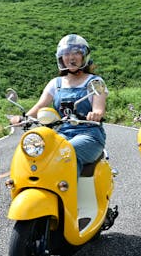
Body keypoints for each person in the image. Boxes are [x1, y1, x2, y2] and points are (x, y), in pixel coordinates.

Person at [9, 34, 107, 175]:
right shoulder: (56, 83)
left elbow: (99, 108)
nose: (71, 57)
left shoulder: (95, 82)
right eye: (66, 53)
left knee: (66, 151)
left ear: (84, 56)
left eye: (76, 53)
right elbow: (40, 107)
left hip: (89, 134)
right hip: (60, 133)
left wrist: (96, 114)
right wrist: (23, 118)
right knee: (36, 149)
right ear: (61, 58)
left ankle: (69, 194)